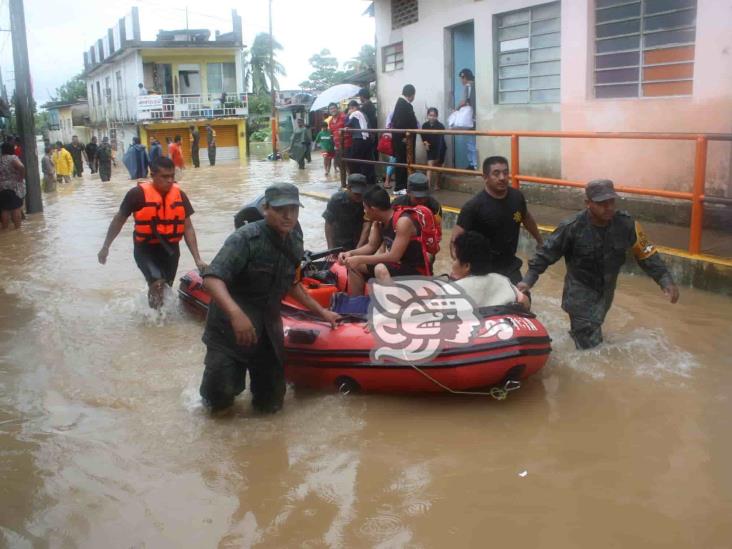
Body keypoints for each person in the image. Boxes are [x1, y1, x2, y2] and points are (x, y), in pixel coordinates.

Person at [199, 183, 339, 413]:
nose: (288, 216)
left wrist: (322, 312)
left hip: (267, 329)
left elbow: (291, 283)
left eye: (293, 209)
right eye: (281, 209)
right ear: (266, 209)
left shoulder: (294, 239)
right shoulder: (245, 238)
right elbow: (212, 279)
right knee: (219, 399)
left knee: (271, 403)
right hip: (230, 328)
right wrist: (236, 316)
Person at [518, 179, 680, 350]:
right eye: (602, 203)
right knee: (591, 348)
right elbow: (545, 255)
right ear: (588, 203)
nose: (608, 207)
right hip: (579, 292)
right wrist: (527, 281)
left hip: (606, 292)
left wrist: (665, 280)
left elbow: (646, 254)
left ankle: (576, 340)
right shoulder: (572, 227)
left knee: (589, 333)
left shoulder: (627, 225)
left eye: (611, 202)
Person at [97, 157, 207, 309]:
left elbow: (188, 227)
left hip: (170, 250)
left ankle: (160, 319)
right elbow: (118, 220)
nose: (169, 181)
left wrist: (197, 259)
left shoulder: (180, 195)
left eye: (172, 176)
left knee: (166, 287)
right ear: (152, 175)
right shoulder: (136, 194)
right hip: (145, 249)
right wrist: (106, 247)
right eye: (164, 176)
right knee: (157, 283)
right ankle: (153, 324)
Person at [451, 156, 543, 284]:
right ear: (485, 177)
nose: (502, 178)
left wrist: (539, 240)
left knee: (522, 299)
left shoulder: (517, 197)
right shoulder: (473, 206)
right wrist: (459, 267)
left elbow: (526, 217)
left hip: (509, 265)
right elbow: (455, 241)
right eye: (496, 173)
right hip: (482, 270)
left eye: (505, 173)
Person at [341, 185, 435, 295]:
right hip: (396, 267)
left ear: (373, 209)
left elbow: (394, 256)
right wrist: (350, 254)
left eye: (365, 208)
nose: (364, 211)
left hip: (415, 271)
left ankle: (392, 310)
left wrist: (359, 258)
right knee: (353, 264)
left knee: (380, 268)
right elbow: (371, 246)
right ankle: (355, 305)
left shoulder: (403, 222)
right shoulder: (378, 223)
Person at [450, 231, 530, 310]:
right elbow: (525, 302)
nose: (453, 264)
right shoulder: (501, 280)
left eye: (456, 259)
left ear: (467, 266)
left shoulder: (453, 290)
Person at [323, 173, 370, 251]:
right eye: (356, 194)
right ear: (348, 188)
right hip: (339, 242)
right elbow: (328, 223)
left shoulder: (367, 200)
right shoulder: (336, 200)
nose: (359, 197)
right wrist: (330, 249)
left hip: (360, 241)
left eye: (362, 193)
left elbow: (367, 225)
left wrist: (357, 250)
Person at [391, 84, 419, 192]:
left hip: (402, 139)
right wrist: (403, 137)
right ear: (411, 95)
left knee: (402, 161)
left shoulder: (400, 103)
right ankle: (400, 187)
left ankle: (402, 186)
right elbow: (401, 123)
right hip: (404, 140)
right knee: (403, 162)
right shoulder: (405, 105)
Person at [345, 100, 375, 185]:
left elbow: (347, 123)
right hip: (367, 139)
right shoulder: (363, 114)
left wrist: (348, 113)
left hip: (359, 139)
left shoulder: (355, 114)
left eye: (350, 108)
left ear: (353, 107)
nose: (350, 110)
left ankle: (356, 182)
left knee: (354, 161)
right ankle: (370, 182)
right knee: (367, 162)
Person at [0, 142, 25, 230]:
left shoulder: (0, 159)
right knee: (16, 208)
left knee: (5, 209)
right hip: (13, 187)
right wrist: (21, 178)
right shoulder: (12, 158)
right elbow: (21, 167)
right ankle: (18, 229)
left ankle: (5, 229)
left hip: (1, 187)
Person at [421, 107, 447, 190]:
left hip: (440, 148)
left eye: (434, 115)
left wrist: (438, 156)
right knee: (430, 166)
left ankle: (437, 184)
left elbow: (440, 141)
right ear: (427, 115)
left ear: (437, 116)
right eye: (430, 115)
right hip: (430, 148)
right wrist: (425, 143)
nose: (432, 117)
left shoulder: (440, 126)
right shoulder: (425, 125)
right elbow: (423, 137)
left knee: (439, 167)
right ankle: (427, 186)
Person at [458, 68, 477, 170]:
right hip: (475, 118)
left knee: (471, 143)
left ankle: (473, 164)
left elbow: (463, 102)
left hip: (472, 119)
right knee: (471, 142)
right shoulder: (476, 85)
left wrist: (456, 110)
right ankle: (473, 163)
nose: (461, 81)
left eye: (461, 78)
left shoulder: (468, 86)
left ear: (464, 77)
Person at [327, 102, 348, 177]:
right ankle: (344, 184)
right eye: (330, 109)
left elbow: (349, 127)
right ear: (329, 111)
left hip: (346, 145)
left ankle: (350, 183)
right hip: (337, 147)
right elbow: (332, 134)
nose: (332, 110)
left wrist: (344, 130)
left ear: (337, 108)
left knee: (348, 164)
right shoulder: (330, 122)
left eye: (334, 108)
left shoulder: (344, 117)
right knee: (339, 164)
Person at [358, 87, 378, 160]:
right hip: (373, 131)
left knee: (369, 152)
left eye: (359, 96)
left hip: (369, 132)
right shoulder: (371, 105)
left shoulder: (365, 107)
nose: (359, 98)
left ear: (362, 96)